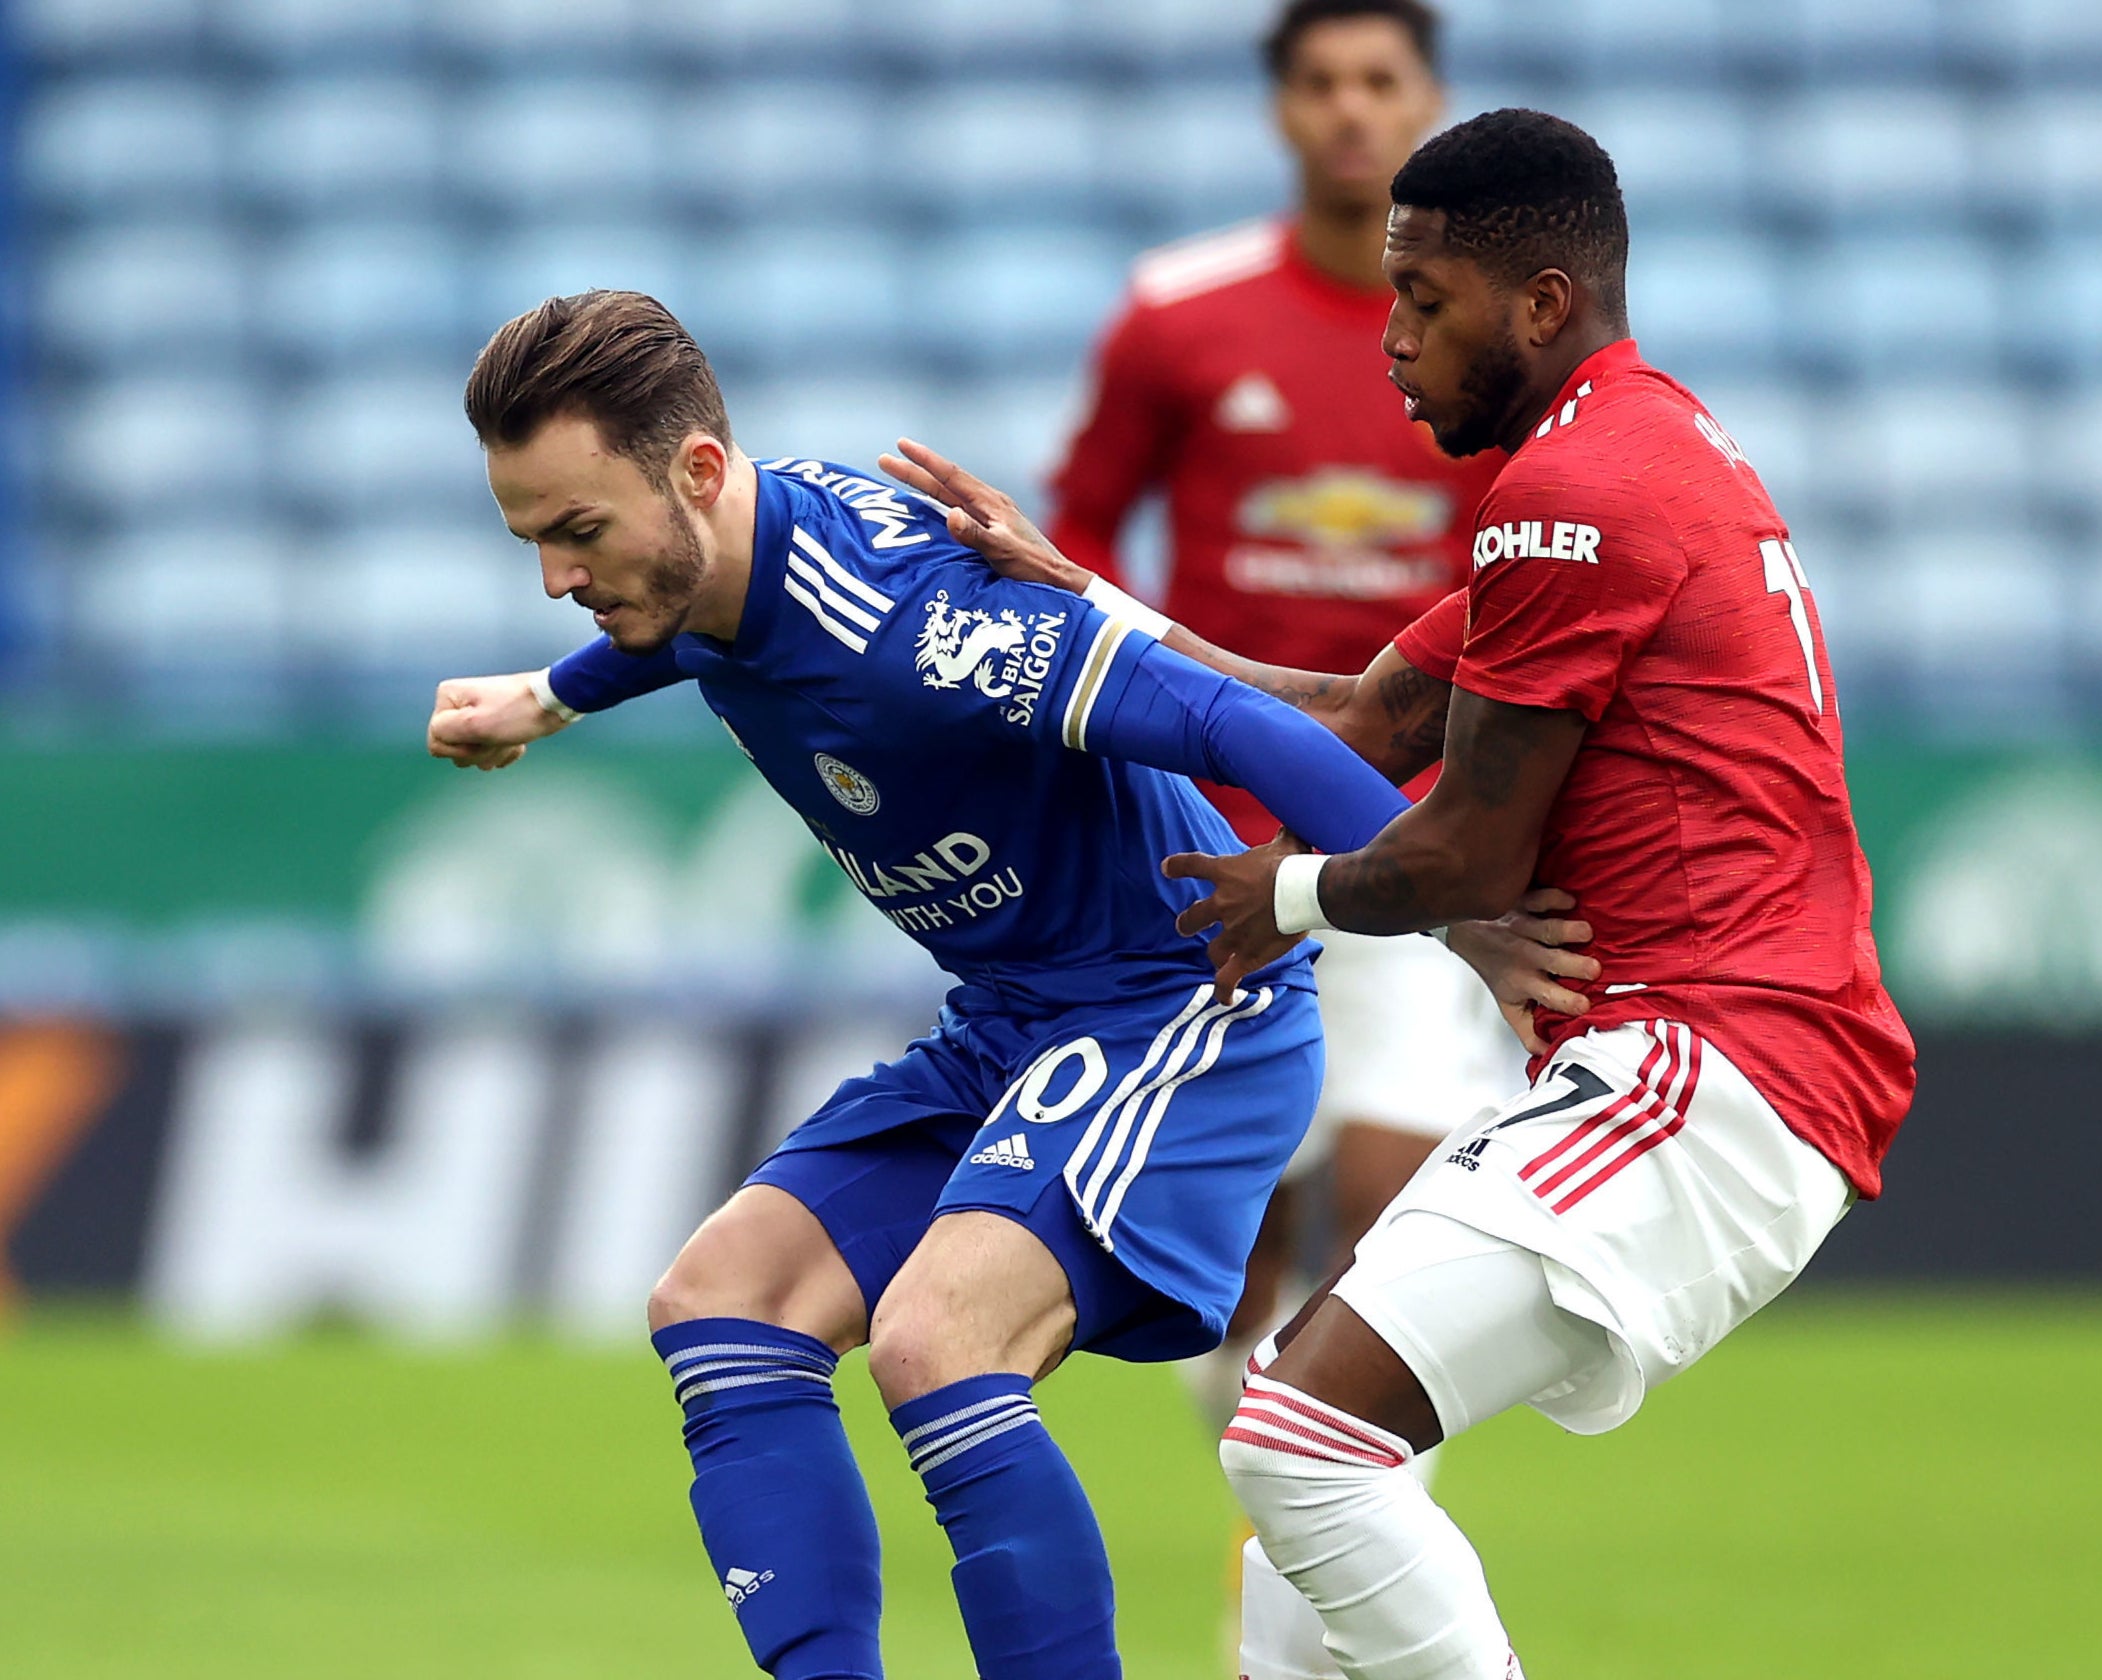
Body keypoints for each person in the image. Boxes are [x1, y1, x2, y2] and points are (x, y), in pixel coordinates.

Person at [884, 107, 1918, 1680]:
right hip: (1698, 1067)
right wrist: (1077, 591)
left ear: (1540, 303)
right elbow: (1364, 720)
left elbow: (1467, 860)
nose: (1391, 342)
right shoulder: (1634, 448)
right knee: (1318, 1444)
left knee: (1293, 1437)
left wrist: (1277, 895)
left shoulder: (1575, 495)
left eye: (1424, 302)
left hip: (1716, 1066)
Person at [423, 290, 1589, 1680]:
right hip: (1015, 1024)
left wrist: (1458, 914)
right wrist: (546, 700)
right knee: (722, 1302)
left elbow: (1227, 717)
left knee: (937, 1342)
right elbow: (670, 629)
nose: (558, 576)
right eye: (535, 540)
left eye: (576, 533)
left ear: (694, 475)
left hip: (1175, 1010)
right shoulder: (706, 563)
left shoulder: (915, 623)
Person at [1048, 0, 1526, 1544]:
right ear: (1279, 111)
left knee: (1392, 1197)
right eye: (1318, 82)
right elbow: (1073, 539)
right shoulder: (1178, 316)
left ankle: (1325, 1514)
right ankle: (1285, 1454)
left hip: (1399, 824)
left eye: (1378, 81)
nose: (1347, 110)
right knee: (1237, 1254)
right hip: (1206, 832)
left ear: (1428, 102)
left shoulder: (1490, 337)